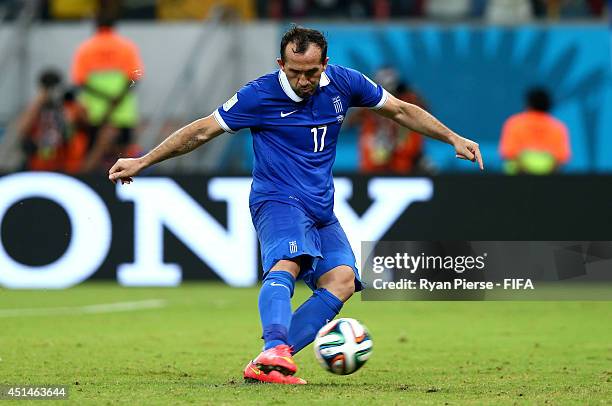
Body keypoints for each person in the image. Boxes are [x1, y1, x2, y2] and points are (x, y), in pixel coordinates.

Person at [108, 26, 483, 385]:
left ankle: (270, 360)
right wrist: (143, 161)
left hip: (321, 207)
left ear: (325, 64)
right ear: (280, 65)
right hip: (277, 200)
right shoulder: (259, 95)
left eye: (312, 72)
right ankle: (273, 349)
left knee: (343, 281)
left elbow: (400, 110)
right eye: (295, 72)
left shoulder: (345, 82)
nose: (304, 81)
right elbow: (203, 130)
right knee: (287, 263)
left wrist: (452, 137)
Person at [71, 11, 144, 173]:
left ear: (95, 25)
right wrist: (116, 98)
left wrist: (104, 98)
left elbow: (80, 82)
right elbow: (135, 78)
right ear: (114, 25)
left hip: (96, 115)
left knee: (93, 159)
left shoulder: (85, 49)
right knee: (126, 158)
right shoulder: (126, 47)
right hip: (123, 114)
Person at [352, 66, 428, 174]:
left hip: (403, 167)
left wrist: (409, 90)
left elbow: (425, 112)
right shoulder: (366, 105)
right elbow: (347, 121)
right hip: (372, 168)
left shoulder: (407, 102)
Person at [16, 69, 89, 172]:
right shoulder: (36, 109)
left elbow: (86, 123)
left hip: (68, 163)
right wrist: (39, 102)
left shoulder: (69, 105)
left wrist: (73, 101)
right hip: (39, 164)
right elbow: (22, 129)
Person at [499, 88, 570, 175]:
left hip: (518, 178)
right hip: (549, 178)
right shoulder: (558, 126)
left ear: (528, 104)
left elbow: (508, 153)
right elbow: (561, 158)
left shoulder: (514, 123)